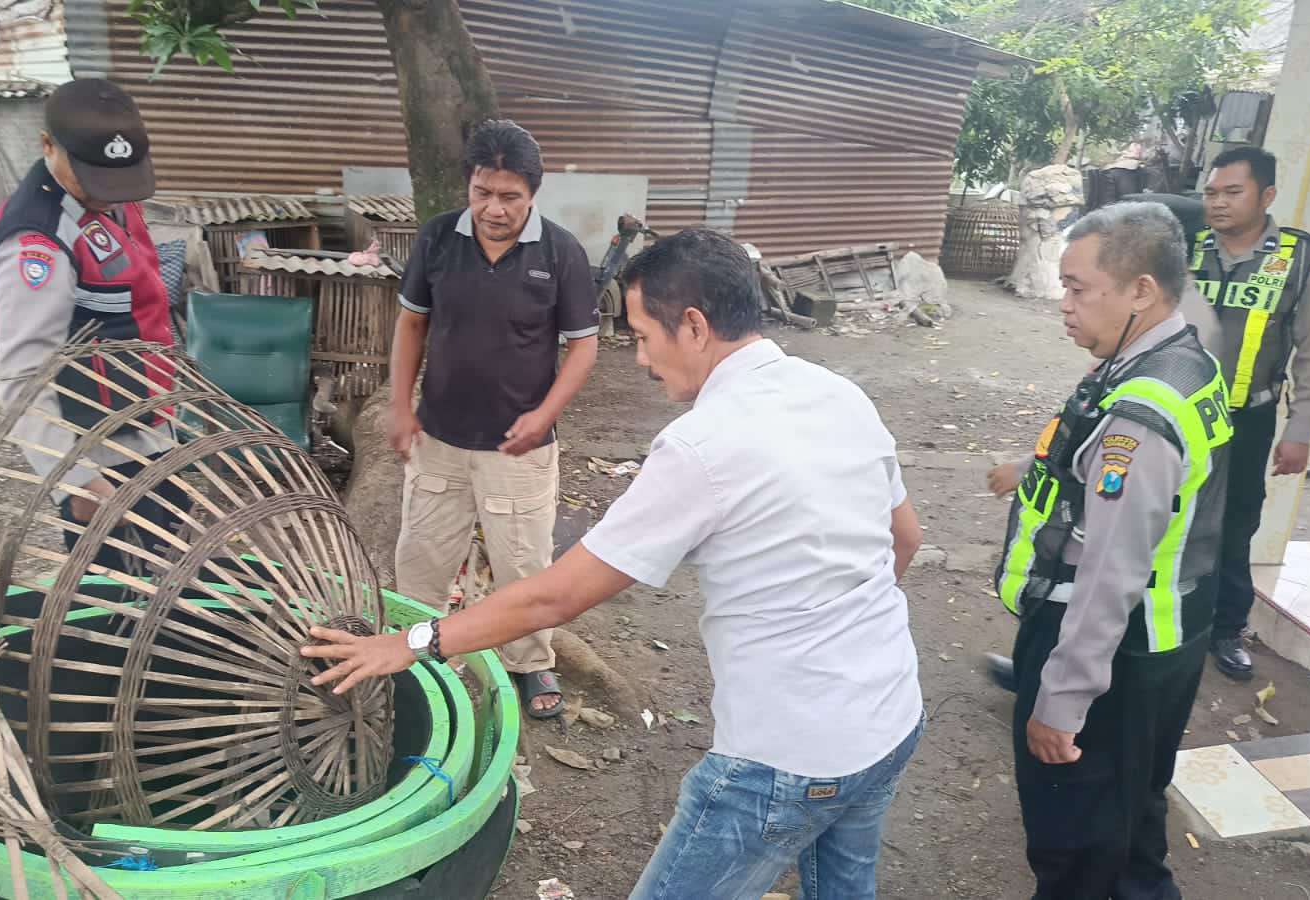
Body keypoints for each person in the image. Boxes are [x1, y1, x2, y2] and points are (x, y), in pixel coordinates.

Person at [307, 228, 925, 900]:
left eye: (640, 335)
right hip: (890, 717)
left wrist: (414, 641)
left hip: (784, 758)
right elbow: (905, 541)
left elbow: (554, 600)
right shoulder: (837, 394)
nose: (637, 358)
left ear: (693, 326)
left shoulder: (703, 444)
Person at [993, 202, 1232, 898]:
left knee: (1075, 847)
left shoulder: (1141, 416)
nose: (1062, 304)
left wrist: (1061, 700)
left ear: (1142, 292)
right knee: (1129, 827)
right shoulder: (1179, 357)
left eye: (1078, 288)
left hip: (1115, 651)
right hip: (1166, 638)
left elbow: (1110, 571)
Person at [385, 119, 600, 718]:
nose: (494, 209)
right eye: (483, 193)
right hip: (440, 437)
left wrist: (544, 415)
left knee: (522, 561)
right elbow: (411, 324)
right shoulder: (436, 240)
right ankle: (421, 659)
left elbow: (583, 345)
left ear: (532, 193)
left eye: (509, 196)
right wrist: (400, 406)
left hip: (518, 447)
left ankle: (531, 663)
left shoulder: (560, 252)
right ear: (468, 187)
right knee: (421, 555)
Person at [0, 78, 185, 573]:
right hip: (102, 461)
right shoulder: (38, 242)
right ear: (47, 146)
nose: (108, 193)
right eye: (93, 177)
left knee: (174, 589)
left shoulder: (108, 191)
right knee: (127, 608)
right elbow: (23, 379)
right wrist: (74, 479)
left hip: (150, 433)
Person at [1191, 146, 1310, 681]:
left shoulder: (1304, 258)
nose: (1218, 203)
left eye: (1233, 192)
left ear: (1267, 196)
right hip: (1175, 415)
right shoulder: (1183, 246)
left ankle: (1226, 628)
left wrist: (1299, 430)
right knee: (1154, 512)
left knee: (1235, 523)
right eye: (1211, 192)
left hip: (1245, 420)